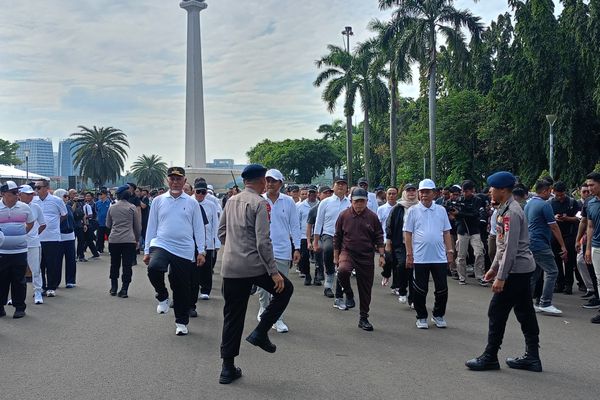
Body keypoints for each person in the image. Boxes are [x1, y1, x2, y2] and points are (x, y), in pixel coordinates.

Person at [218, 164, 294, 384]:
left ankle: (227, 368)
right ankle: (261, 331)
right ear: (261, 181)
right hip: (253, 266)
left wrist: (235, 246)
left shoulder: (231, 200)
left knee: (232, 317)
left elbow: (221, 232)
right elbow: (263, 242)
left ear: (245, 182)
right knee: (285, 289)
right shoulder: (259, 203)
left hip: (231, 266)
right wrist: (274, 272)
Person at [466, 171, 542, 372]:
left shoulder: (512, 212)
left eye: (492, 188)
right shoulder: (504, 209)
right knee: (525, 311)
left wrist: (501, 276)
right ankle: (532, 357)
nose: (489, 191)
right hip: (518, 269)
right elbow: (502, 246)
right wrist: (493, 269)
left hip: (516, 270)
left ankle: (490, 356)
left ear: (502, 190)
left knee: (497, 311)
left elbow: (511, 248)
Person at [144, 167, 206, 336]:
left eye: (179, 179)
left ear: (185, 181)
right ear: (167, 180)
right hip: (162, 243)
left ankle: (181, 322)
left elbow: (199, 228)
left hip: (184, 248)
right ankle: (163, 296)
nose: (175, 182)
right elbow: (151, 226)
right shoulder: (158, 201)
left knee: (181, 288)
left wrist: (201, 251)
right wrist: (147, 249)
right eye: (172, 178)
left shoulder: (192, 202)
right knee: (154, 268)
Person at [403, 179, 454, 329]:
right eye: (422, 192)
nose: (424, 195)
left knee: (442, 288)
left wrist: (449, 251)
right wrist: (409, 254)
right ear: (419, 194)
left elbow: (446, 232)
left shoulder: (441, 210)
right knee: (420, 289)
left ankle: (438, 315)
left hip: (439, 256)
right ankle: (421, 316)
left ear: (434, 193)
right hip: (420, 257)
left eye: (427, 192)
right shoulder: (413, 211)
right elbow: (408, 234)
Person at [334, 188, 385, 330]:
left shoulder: (372, 217)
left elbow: (379, 236)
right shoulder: (344, 215)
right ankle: (348, 293)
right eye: (356, 201)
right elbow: (337, 237)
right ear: (351, 202)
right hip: (347, 251)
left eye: (362, 201)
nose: (359, 205)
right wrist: (336, 256)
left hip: (366, 255)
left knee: (365, 288)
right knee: (343, 271)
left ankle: (363, 318)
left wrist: (381, 255)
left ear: (367, 202)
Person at [258, 169, 301, 333]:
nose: (270, 184)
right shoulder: (260, 200)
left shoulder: (288, 201)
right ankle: (263, 309)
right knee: (263, 286)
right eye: (267, 180)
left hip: (283, 249)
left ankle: (278, 318)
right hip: (262, 250)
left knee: (281, 286)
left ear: (280, 183)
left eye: (273, 181)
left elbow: (295, 226)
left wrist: (296, 247)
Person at [524, 180, 568, 315]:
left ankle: (527, 303)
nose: (551, 194)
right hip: (540, 243)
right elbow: (554, 226)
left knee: (534, 274)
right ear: (544, 191)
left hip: (530, 242)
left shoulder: (529, 204)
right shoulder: (545, 205)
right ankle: (545, 303)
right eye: (550, 191)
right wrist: (563, 245)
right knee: (552, 271)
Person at [0, 181, 35, 318]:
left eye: (17, 192)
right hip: (2, 252)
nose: (17, 195)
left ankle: (19, 307)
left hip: (20, 251)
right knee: (1, 280)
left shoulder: (24, 207)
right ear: (3, 194)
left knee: (19, 280)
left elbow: (30, 223)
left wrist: (20, 234)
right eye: (13, 193)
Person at [313, 177, 351, 299]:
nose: (340, 186)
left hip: (345, 236)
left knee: (343, 262)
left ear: (347, 188)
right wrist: (315, 242)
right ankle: (328, 283)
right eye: (338, 184)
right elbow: (318, 223)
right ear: (333, 187)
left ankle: (341, 288)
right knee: (328, 250)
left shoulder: (350, 204)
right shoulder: (325, 202)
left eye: (343, 185)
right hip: (328, 234)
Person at [384, 183, 419, 306]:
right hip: (400, 243)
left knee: (415, 272)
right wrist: (388, 244)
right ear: (404, 193)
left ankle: (413, 298)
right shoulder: (398, 208)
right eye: (408, 191)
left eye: (413, 190)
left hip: (418, 245)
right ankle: (402, 290)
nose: (411, 193)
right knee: (402, 265)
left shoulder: (420, 207)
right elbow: (389, 226)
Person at [106, 186, 141, 298]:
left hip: (114, 239)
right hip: (129, 240)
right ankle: (124, 289)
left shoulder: (112, 207)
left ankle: (113, 287)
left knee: (114, 263)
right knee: (127, 265)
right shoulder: (132, 208)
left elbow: (108, 224)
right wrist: (137, 239)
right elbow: (137, 226)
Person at [34, 179, 67, 297]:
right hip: (37, 238)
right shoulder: (34, 201)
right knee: (38, 265)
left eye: (38, 187)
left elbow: (64, 215)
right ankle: (41, 287)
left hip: (52, 237)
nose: (36, 190)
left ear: (46, 188)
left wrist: (53, 224)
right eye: (35, 187)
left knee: (52, 264)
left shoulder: (56, 200)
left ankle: (51, 287)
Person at [452, 180, 487, 286]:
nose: (465, 194)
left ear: (472, 190)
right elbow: (456, 216)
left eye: (467, 191)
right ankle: (462, 277)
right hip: (462, 230)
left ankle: (480, 276)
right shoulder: (459, 200)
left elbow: (475, 214)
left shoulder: (478, 200)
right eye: (463, 191)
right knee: (461, 255)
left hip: (474, 230)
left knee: (479, 253)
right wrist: (458, 215)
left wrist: (461, 213)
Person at [549, 182, 581, 295]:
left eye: (561, 195)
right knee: (556, 260)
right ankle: (559, 283)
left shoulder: (573, 202)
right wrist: (555, 218)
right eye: (557, 195)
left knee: (568, 260)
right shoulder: (550, 203)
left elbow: (579, 219)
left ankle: (568, 285)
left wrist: (567, 218)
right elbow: (548, 219)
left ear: (565, 192)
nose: (559, 197)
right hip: (555, 235)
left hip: (569, 234)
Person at [17, 184, 46, 304]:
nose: (30, 196)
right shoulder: (14, 207)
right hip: (17, 244)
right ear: (20, 195)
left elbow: (43, 224)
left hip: (33, 243)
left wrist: (34, 235)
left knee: (35, 269)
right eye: (27, 194)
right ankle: (16, 295)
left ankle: (38, 291)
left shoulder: (36, 207)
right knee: (17, 271)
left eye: (31, 194)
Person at [193, 180, 216, 303]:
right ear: (194, 191)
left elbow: (214, 225)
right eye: (198, 192)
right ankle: (194, 288)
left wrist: (215, 242)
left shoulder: (211, 204)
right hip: (192, 241)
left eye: (203, 192)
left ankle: (206, 290)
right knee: (194, 267)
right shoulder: (190, 202)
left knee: (206, 267)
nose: (201, 194)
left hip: (207, 240)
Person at [306, 185, 333, 285]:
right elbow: (309, 226)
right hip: (319, 237)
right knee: (320, 249)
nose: (328, 195)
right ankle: (319, 270)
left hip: (331, 236)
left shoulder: (333, 208)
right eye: (325, 193)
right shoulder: (314, 210)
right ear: (319, 195)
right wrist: (309, 241)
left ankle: (325, 275)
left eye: (329, 193)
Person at [583, 172, 600, 324]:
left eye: (592, 185)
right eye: (587, 185)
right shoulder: (590, 203)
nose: (589, 188)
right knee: (599, 279)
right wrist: (587, 248)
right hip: (596, 246)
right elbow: (590, 226)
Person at [377, 187, 398, 294]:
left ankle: (396, 285)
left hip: (398, 239)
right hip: (385, 239)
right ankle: (386, 274)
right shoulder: (381, 209)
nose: (391, 196)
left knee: (398, 263)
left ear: (397, 195)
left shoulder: (400, 208)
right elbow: (378, 226)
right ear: (386, 195)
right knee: (388, 259)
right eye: (389, 193)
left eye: (394, 194)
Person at [54, 189, 77, 289]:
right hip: (59, 236)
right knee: (57, 260)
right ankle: (55, 281)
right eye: (65, 196)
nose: (67, 198)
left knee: (71, 260)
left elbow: (72, 220)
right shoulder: (54, 207)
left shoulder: (68, 207)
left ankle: (70, 280)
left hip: (70, 236)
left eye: (67, 196)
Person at [297, 185, 319, 286]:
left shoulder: (320, 205)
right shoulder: (300, 206)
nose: (311, 195)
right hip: (303, 235)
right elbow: (296, 221)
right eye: (309, 193)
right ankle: (307, 275)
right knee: (304, 257)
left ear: (316, 194)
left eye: (313, 193)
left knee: (318, 257)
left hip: (317, 234)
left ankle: (317, 276)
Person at [82, 192, 100, 259]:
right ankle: (95, 252)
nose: (87, 197)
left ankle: (95, 250)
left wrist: (84, 216)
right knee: (89, 238)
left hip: (92, 222)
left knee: (88, 237)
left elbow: (93, 214)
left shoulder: (94, 204)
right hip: (86, 223)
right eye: (86, 196)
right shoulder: (84, 204)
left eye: (89, 196)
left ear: (92, 197)